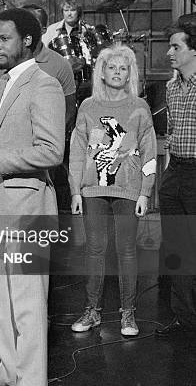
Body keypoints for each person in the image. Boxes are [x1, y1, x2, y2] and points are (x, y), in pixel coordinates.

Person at [0, 8, 65, 386]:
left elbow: (52, 151)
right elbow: (12, 140)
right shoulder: (4, 84)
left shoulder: (43, 84)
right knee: (3, 300)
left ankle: (32, 379)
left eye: (4, 38)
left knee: (26, 304)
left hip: (28, 209)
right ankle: (7, 373)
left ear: (27, 41)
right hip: (0, 206)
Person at [69, 44, 156, 337]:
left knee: (127, 251)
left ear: (129, 73)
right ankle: (92, 311)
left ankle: (128, 314)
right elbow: (78, 150)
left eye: (123, 68)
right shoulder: (89, 106)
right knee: (94, 250)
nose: (117, 73)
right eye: (111, 67)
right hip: (93, 189)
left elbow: (150, 151)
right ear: (102, 72)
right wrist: (75, 191)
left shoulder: (140, 107)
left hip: (128, 188)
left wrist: (145, 192)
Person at [154, 19, 196, 337]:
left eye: (176, 47)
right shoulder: (171, 87)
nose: (169, 52)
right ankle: (184, 318)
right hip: (175, 171)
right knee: (177, 249)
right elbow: (171, 135)